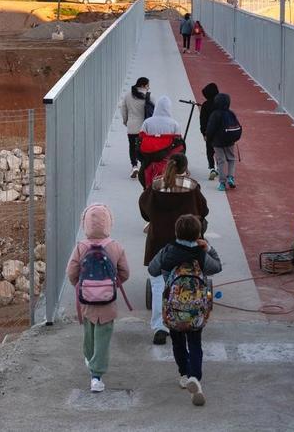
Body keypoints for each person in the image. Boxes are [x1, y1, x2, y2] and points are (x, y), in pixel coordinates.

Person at [148, 214, 222, 406]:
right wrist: (208, 248)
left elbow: (152, 270)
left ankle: (183, 374)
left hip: (174, 309)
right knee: (195, 343)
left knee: (178, 343)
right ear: (198, 234)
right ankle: (195, 376)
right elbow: (217, 267)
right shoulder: (201, 254)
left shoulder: (168, 251)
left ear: (176, 232)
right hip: (196, 311)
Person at [139, 154, 208, 345]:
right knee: (190, 280)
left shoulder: (155, 186)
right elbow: (204, 211)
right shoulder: (192, 187)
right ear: (185, 167)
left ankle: (160, 327)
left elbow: (144, 210)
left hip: (159, 244)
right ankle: (188, 320)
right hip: (187, 244)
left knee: (158, 285)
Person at [67, 203, 131, 394]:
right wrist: (112, 285)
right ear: (108, 223)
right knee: (103, 338)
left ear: (85, 224)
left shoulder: (81, 247)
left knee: (89, 333)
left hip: (87, 301)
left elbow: (71, 273)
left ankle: (89, 358)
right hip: (107, 302)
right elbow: (125, 273)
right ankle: (96, 376)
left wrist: (81, 286)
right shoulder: (115, 247)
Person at [137, 96, 185, 187]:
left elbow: (140, 141)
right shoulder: (174, 124)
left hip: (149, 161)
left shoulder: (147, 122)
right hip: (167, 163)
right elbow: (178, 146)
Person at [204, 93, 241, 191]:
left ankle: (222, 183)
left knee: (221, 161)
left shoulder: (215, 114)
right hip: (230, 141)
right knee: (231, 159)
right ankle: (231, 177)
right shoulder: (231, 113)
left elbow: (210, 129)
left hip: (218, 142)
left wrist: (208, 138)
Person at [120, 77, 153, 179]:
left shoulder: (128, 95)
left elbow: (123, 109)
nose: (149, 87)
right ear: (143, 85)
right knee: (144, 147)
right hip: (144, 128)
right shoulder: (149, 96)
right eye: (148, 85)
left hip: (132, 126)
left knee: (132, 146)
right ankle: (143, 166)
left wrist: (125, 121)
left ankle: (134, 166)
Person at [197, 83, 220, 181]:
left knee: (210, 151)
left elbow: (202, 120)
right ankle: (220, 168)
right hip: (220, 132)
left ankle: (212, 168)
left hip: (209, 132)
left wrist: (203, 133)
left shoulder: (205, 105)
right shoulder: (221, 103)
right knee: (220, 151)